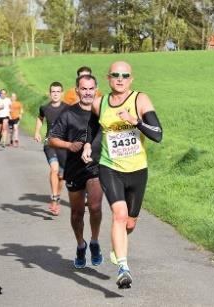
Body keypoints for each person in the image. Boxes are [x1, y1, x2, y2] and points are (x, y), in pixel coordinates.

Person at [82, 61, 163, 288]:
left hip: (137, 169)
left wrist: (135, 121)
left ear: (131, 78)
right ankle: (123, 268)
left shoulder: (140, 99)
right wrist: (88, 145)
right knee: (119, 214)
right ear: (108, 78)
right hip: (110, 167)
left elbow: (158, 134)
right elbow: (93, 127)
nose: (120, 79)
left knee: (129, 222)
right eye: (115, 75)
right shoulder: (100, 103)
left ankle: (119, 246)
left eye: (125, 75)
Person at [50, 75, 103, 269]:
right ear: (77, 90)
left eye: (91, 88)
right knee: (77, 213)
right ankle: (81, 245)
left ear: (96, 89)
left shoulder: (102, 112)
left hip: (95, 167)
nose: (88, 92)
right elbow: (52, 139)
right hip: (74, 169)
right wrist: (69, 145)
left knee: (95, 207)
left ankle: (95, 241)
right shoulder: (68, 114)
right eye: (84, 88)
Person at [34, 82, 68, 215]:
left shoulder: (68, 108)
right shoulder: (44, 108)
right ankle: (54, 197)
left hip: (64, 145)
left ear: (62, 93)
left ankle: (57, 197)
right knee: (54, 169)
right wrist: (37, 132)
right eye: (53, 91)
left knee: (61, 175)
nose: (55, 94)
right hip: (50, 143)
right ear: (49, 93)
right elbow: (40, 118)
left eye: (58, 91)